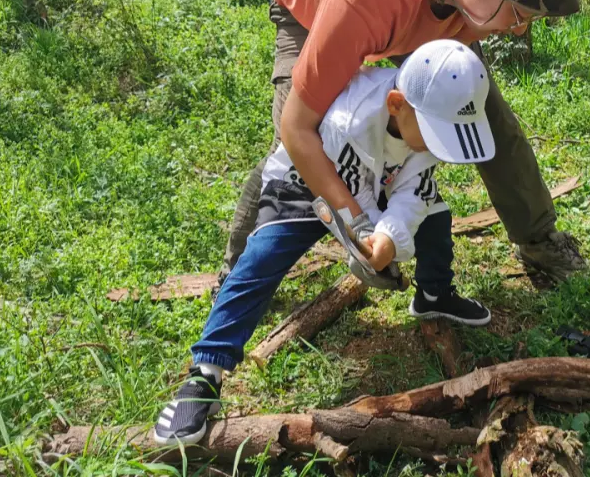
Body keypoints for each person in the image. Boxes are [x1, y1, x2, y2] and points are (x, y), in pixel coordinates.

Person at [219, 0, 590, 290]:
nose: (520, 29)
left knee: (482, 112)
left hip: (426, 1)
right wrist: (359, 227)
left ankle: (539, 242)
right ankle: (237, 271)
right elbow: (298, 130)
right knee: (299, 152)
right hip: (316, 1)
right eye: (519, 11)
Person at [154, 40, 495, 445]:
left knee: (435, 215)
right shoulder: (350, 119)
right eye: (439, 134)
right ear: (396, 104)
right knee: (262, 257)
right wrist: (373, 237)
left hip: (371, 186)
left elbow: (414, 194)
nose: (442, 146)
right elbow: (347, 197)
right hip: (307, 179)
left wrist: (387, 238)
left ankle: (434, 293)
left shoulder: (422, 131)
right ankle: (205, 372)